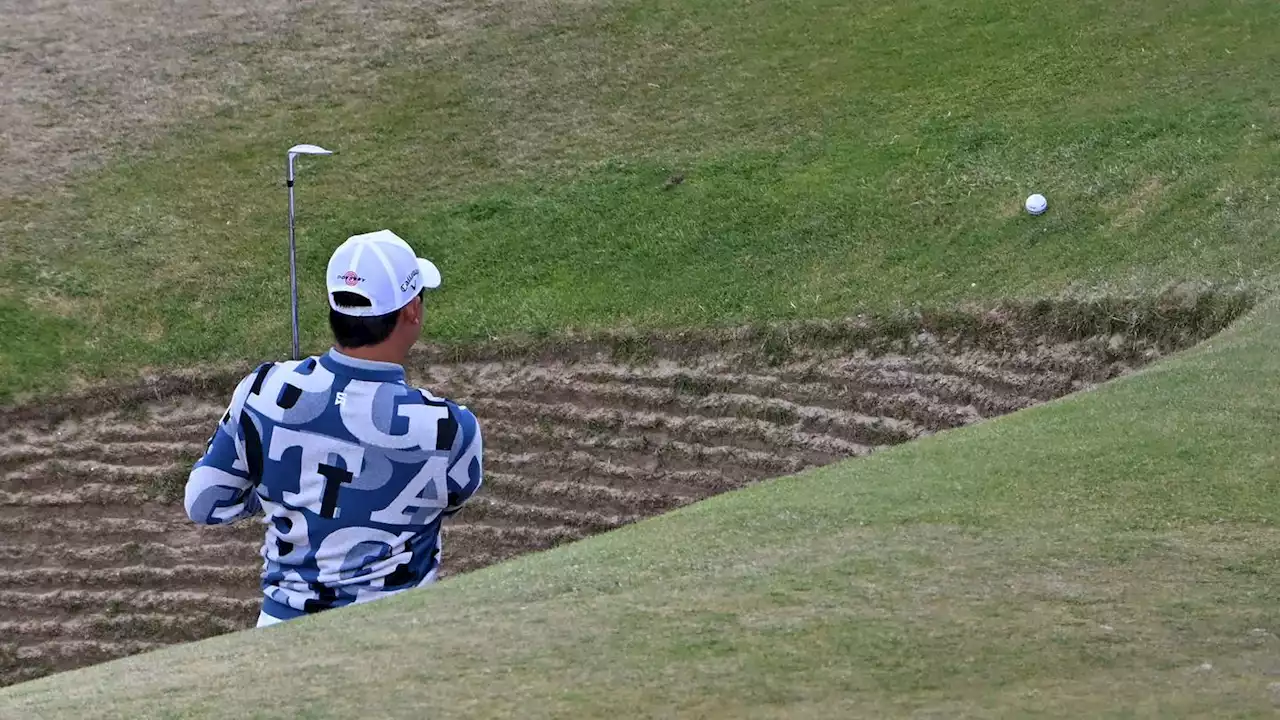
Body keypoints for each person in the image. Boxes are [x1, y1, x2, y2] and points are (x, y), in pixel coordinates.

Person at [184, 229, 483, 628]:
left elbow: (204, 503)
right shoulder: (449, 428)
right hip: (401, 633)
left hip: (278, 632)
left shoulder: (262, 390)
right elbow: (450, 502)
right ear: (412, 310)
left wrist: (283, 494)